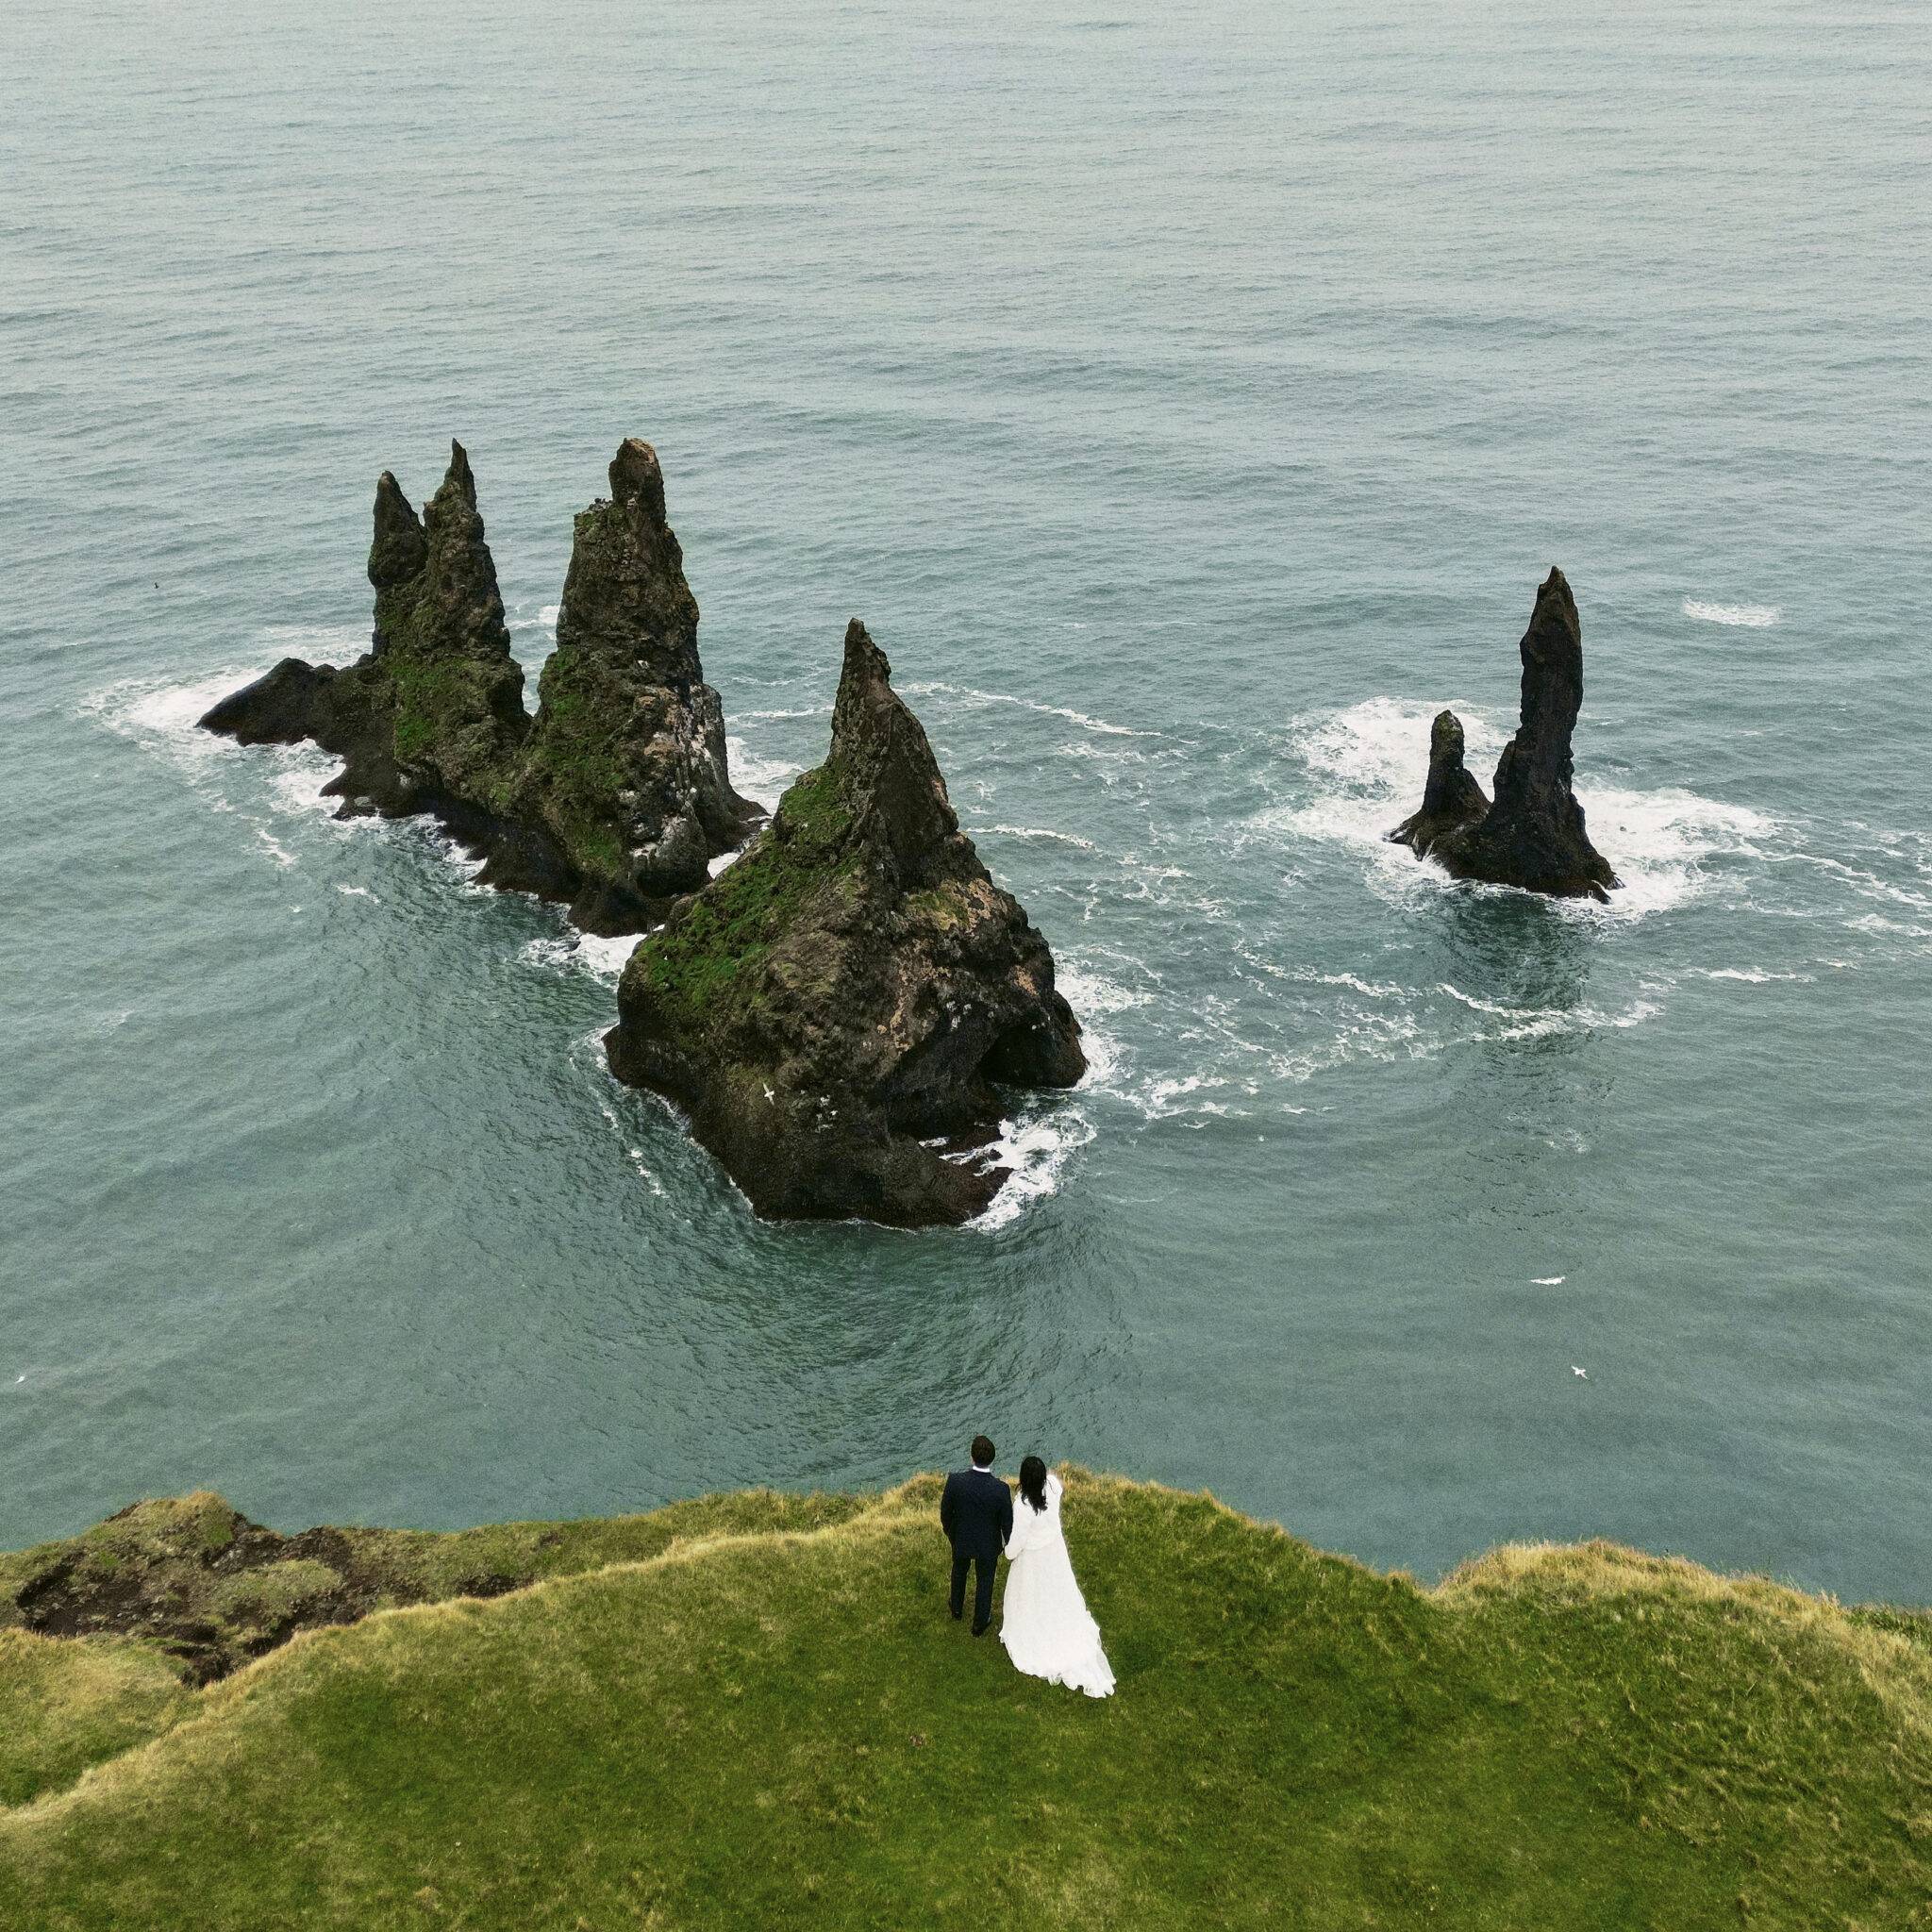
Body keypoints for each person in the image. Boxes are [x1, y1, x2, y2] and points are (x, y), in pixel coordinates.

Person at [998, 1457, 1114, 1697]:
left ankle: (1034, 1630)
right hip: (1053, 1550)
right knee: (1056, 1590)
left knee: (1032, 1595)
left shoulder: (1023, 1505)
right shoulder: (1052, 1486)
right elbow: (1055, 1488)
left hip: (1033, 1558)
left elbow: (1016, 1542)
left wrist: (1008, 1552)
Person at [940, 1435, 1012, 1635]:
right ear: (992, 1459)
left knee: (959, 1570)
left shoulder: (955, 1481)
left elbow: (945, 1512)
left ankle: (956, 1608)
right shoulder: (1001, 1489)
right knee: (985, 1579)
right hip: (988, 1543)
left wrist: (950, 1532)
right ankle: (980, 1622)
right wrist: (1008, 1545)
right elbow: (1007, 1522)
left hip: (961, 1537)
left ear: (971, 1456)